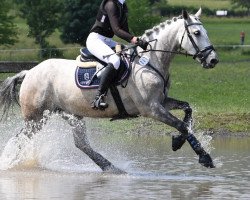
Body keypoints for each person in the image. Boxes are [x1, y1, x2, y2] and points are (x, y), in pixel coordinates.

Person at [86, 0, 148, 110]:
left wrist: (138, 41)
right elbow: (117, 30)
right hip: (95, 40)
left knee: (128, 52)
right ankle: (98, 97)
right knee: (115, 60)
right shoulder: (111, 4)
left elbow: (125, 31)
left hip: (107, 40)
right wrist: (134, 39)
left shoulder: (122, 6)